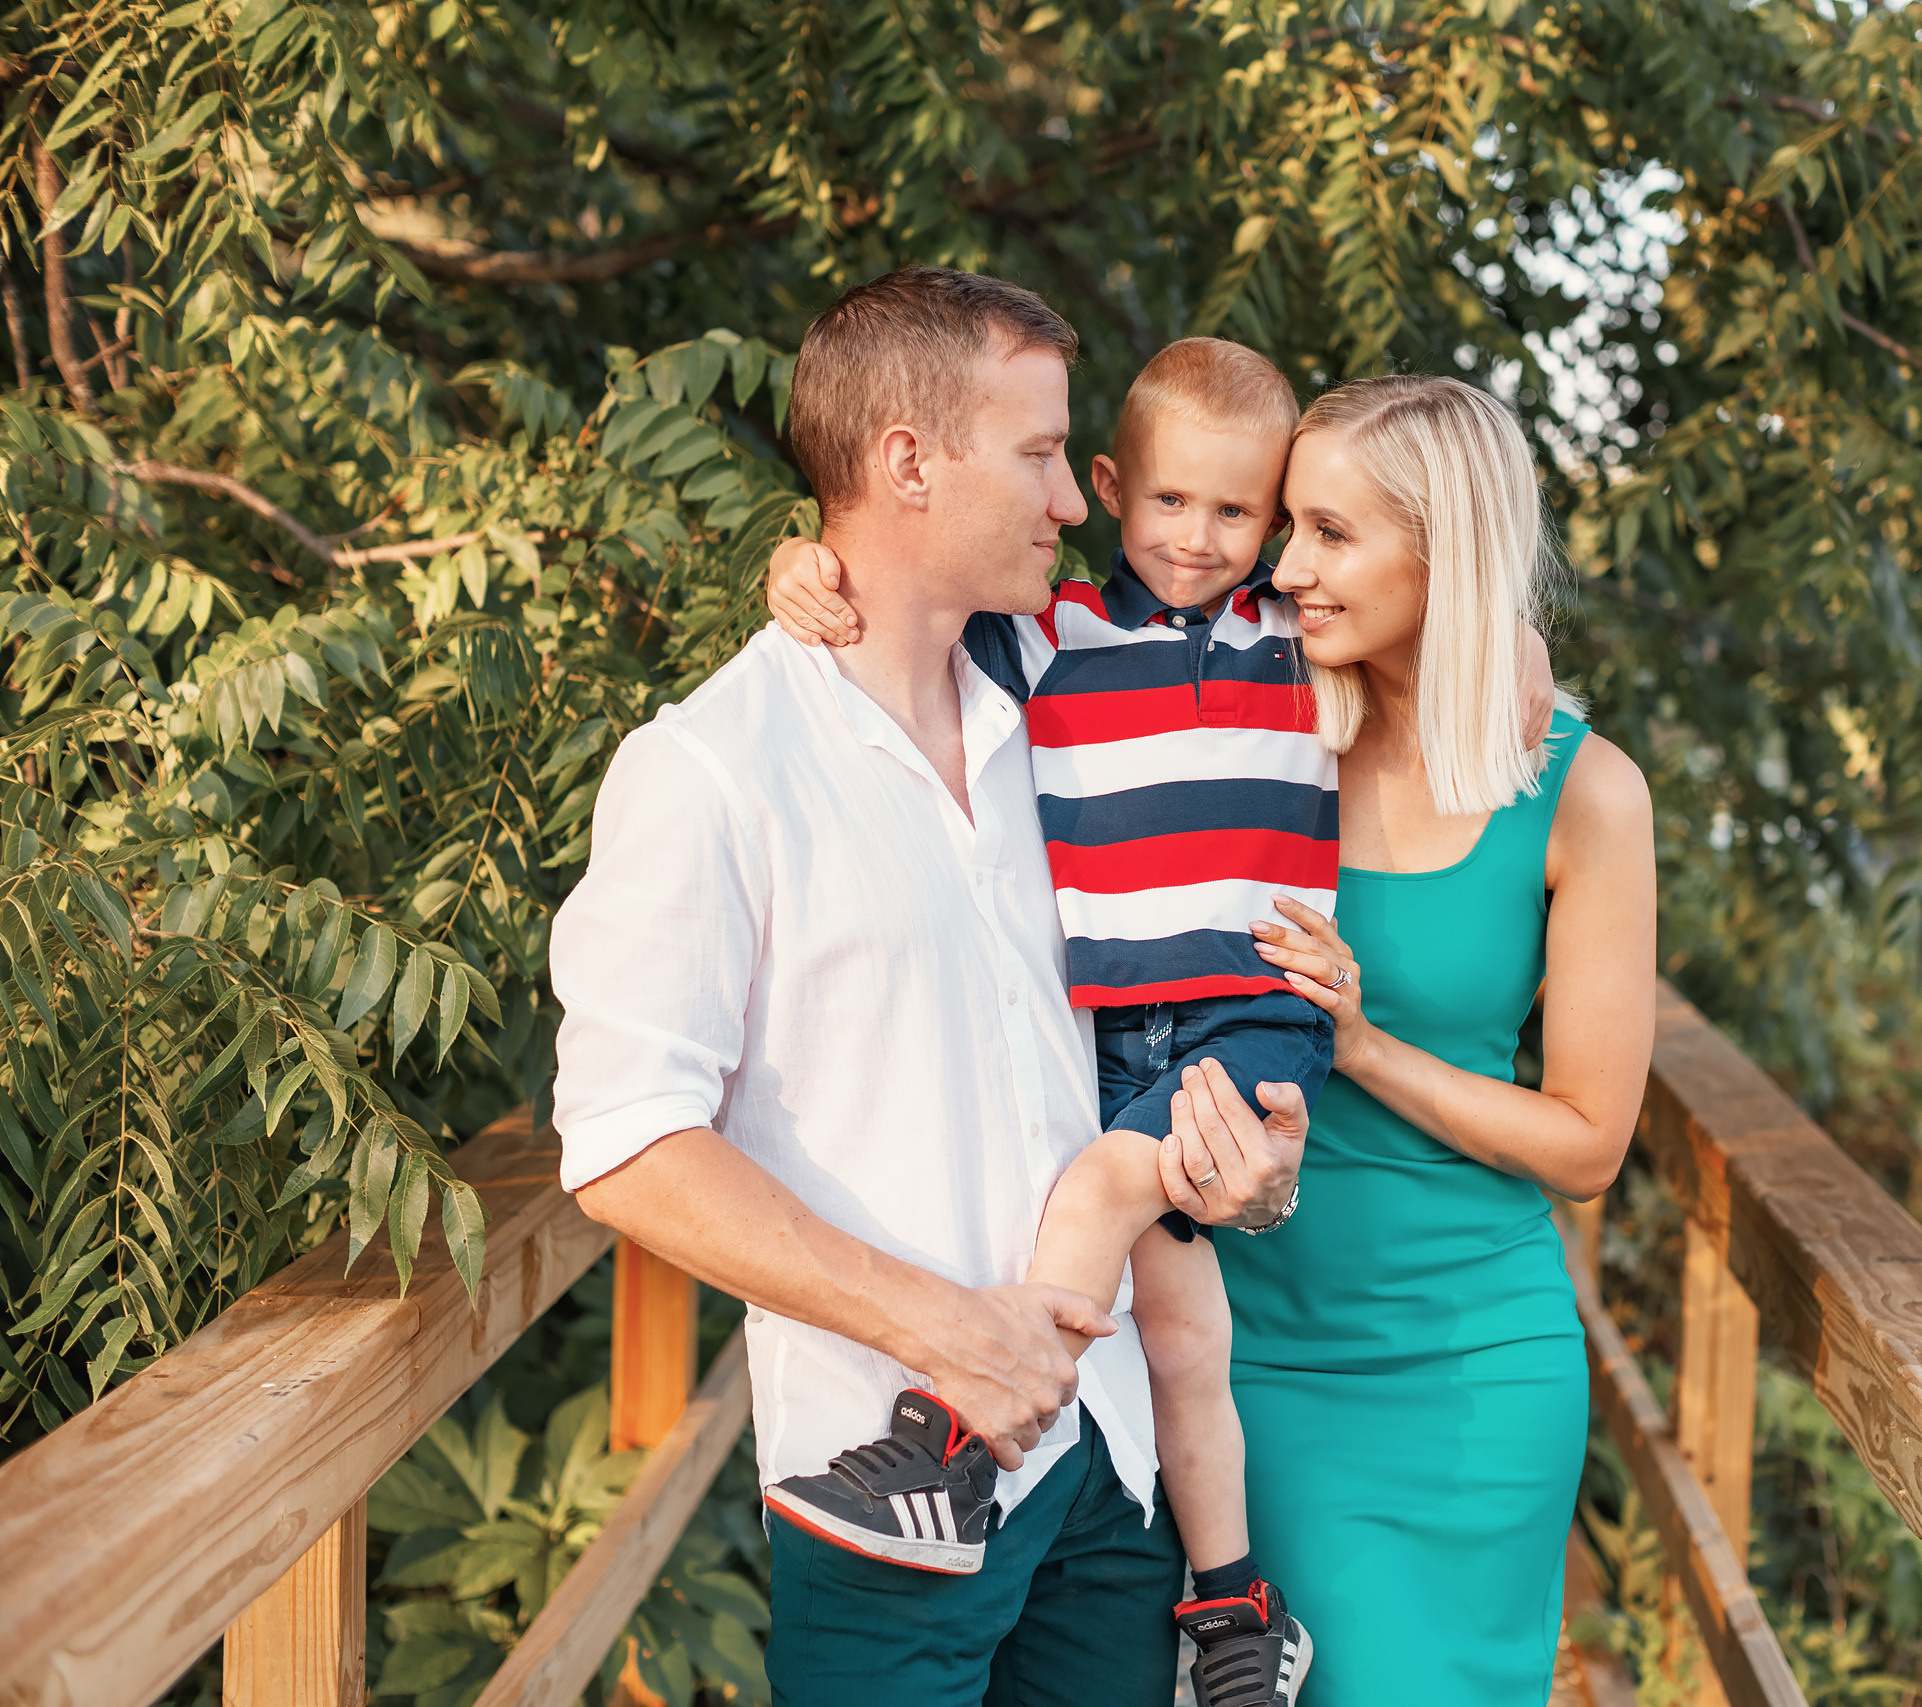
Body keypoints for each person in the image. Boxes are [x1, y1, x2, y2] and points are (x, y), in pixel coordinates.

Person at [762, 336, 1559, 1707]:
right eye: (1174, 505)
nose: (1209, 541)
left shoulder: (1287, 645)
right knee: (1184, 1331)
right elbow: (909, 607)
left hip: (1253, 1018)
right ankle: (1233, 1608)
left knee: (1099, 1186)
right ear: (1117, 488)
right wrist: (802, 569)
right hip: (1117, 1034)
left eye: (1246, 514)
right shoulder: (1054, 637)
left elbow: (1476, 644)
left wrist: (1518, 636)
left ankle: (953, 1439)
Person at [548, 267, 1305, 1707]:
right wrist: (942, 1328)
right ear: (908, 462)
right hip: (893, 1493)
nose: (1073, 502)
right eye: (1035, 455)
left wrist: (1253, 1170)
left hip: (1114, 1457)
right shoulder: (712, 770)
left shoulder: (1070, 714)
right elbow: (627, 1148)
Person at [1216, 376, 1658, 1704]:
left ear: (1444, 550)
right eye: (1290, 526)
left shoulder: (1585, 792)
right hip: (1241, 1355)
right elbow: (1037, 640)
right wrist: (809, 567)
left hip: (1474, 1370)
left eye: (1333, 535)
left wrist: (1360, 1045)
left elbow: (1587, 1143)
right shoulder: (1249, 720)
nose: (1287, 568)